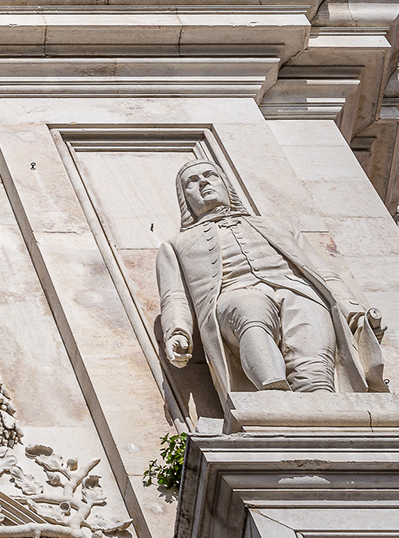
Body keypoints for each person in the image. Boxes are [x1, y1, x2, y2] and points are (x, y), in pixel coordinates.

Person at [157, 159, 386, 394]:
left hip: (298, 290)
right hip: (236, 292)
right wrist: (176, 331)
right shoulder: (177, 245)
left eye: (210, 175)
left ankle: (320, 401)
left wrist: (352, 311)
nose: (203, 181)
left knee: (313, 356)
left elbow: (322, 272)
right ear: (185, 199)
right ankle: (273, 394)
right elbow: (174, 296)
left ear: (226, 184)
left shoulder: (278, 225)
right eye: (192, 182)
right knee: (248, 309)